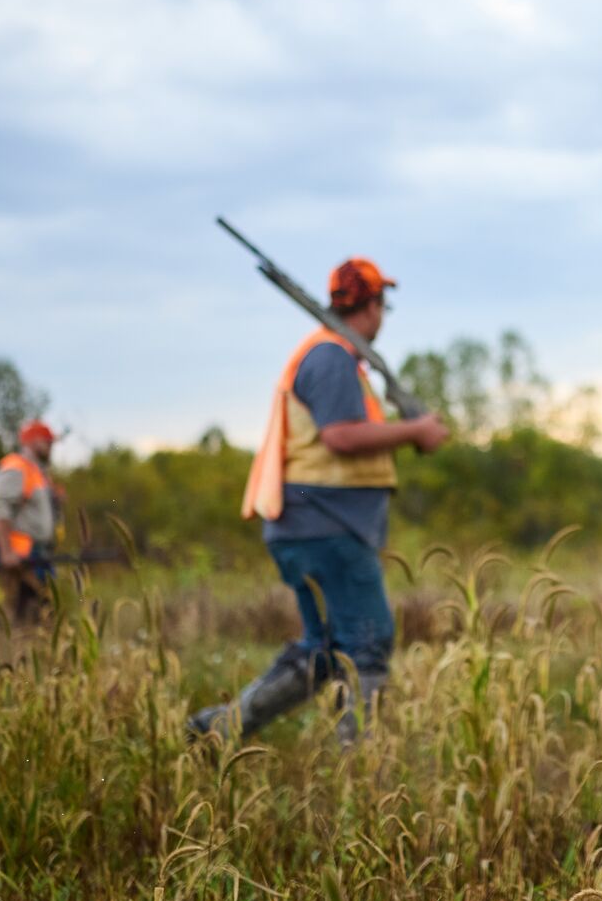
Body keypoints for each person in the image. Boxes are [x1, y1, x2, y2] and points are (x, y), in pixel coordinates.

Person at [188, 257, 449, 745]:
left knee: (326, 649)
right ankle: (360, 774)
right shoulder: (330, 357)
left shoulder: (331, 355)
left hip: (309, 525)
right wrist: (416, 429)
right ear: (371, 307)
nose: (383, 316)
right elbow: (341, 437)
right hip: (326, 526)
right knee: (368, 644)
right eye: (381, 305)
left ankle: (220, 732)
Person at [0, 419, 62, 622]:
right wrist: (7, 552)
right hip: (21, 556)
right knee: (27, 614)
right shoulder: (15, 467)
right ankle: (13, 648)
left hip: (38, 553)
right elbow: (1, 513)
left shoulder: (36, 471)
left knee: (43, 612)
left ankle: (32, 649)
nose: (51, 447)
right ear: (34, 442)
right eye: (48, 442)